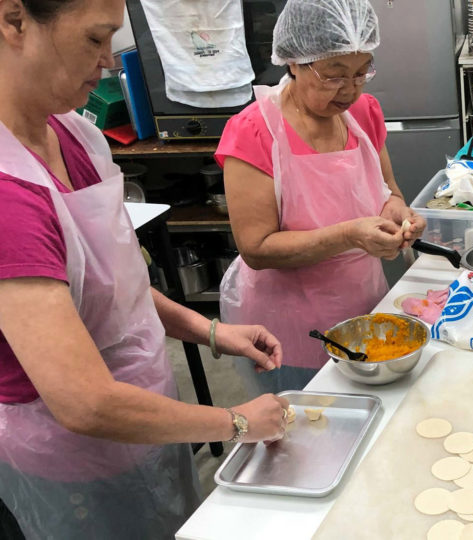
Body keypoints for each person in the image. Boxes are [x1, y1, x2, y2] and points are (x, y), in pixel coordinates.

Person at [0, 0, 292, 537]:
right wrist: (236, 422)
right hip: (73, 462)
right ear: (13, 20)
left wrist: (210, 330)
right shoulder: (8, 201)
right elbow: (85, 403)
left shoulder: (72, 135)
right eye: (94, 39)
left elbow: (116, 287)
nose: (110, 62)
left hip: (148, 422)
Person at [216, 0, 425, 395]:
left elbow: (388, 193)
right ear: (293, 62)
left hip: (365, 308)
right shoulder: (254, 131)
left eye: (362, 71)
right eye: (333, 75)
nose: (350, 89)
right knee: (306, 437)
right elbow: (256, 249)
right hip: (288, 328)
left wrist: (399, 215)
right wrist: (350, 235)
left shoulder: (364, 113)